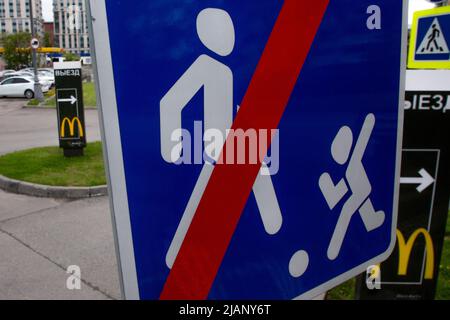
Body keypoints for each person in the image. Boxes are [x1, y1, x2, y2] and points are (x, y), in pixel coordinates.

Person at [160, 8, 282, 269]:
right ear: (207, 35)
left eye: (230, 30)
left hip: (240, 139)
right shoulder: (204, 66)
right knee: (203, 193)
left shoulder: (232, 70)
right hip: (216, 147)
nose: (230, 36)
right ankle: (176, 255)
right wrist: (171, 147)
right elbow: (171, 102)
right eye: (223, 29)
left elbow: (235, 104)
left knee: (259, 175)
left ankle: (276, 228)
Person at [319, 114, 385, 261]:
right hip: (358, 190)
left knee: (348, 210)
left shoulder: (352, 163)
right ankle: (334, 248)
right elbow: (361, 143)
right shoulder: (351, 165)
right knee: (347, 211)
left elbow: (361, 142)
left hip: (360, 190)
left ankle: (370, 222)